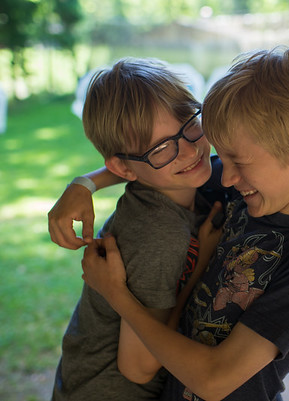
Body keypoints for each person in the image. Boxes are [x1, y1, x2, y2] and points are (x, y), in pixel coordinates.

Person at [50, 46, 289, 400]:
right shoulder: (238, 194)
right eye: (222, 155)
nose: (223, 175)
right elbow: (156, 164)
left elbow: (214, 380)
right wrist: (84, 183)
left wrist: (117, 295)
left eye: (237, 161)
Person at [51, 58, 225, 400]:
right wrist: (200, 264)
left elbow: (142, 159)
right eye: (161, 147)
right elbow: (139, 366)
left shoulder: (171, 188)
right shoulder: (159, 235)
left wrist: (85, 182)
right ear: (123, 167)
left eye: (190, 122)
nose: (190, 150)